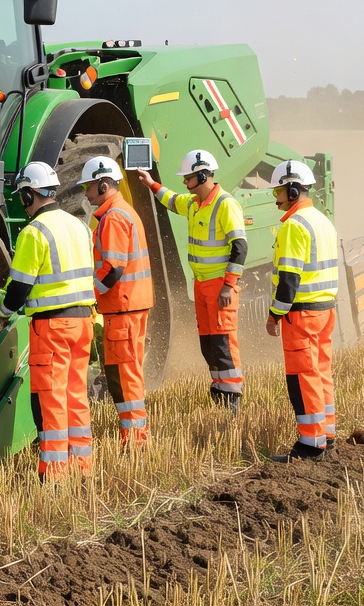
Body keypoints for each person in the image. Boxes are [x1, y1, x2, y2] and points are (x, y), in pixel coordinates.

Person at [0, 161, 97, 478]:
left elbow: (19, 288)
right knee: (76, 396)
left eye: (22, 197)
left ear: (29, 195)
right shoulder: (79, 226)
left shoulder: (34, 232)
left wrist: (1, 315)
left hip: (53, 328)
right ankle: (82, 468)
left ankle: (54, 474)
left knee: (50, 399)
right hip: (83, 323)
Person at [135, 149, 247, 411]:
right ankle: (219, 390)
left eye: (188, 178)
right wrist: (151, 184)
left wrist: (229, 285)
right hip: (201, 285)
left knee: (223, 343)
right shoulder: (195, 203)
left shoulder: (225, 204)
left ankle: (232, 398)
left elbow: (240, 247)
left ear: (203, 175)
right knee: (209, 345)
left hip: (219, 286)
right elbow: (173, 201)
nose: (185, 182)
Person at [264, 160, 339, 463]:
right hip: (325, 310)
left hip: (303, 316)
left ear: (293, 190)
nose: (276, 197)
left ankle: (310, 445)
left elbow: (289, 280)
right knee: (320, 372)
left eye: (278, 191)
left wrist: (274, 315)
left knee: (302, 377)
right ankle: (327, 435)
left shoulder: (294, 226)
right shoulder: (322, 220)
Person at [81, 156, 154, 445]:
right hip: (128, 306)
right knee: (124, 373)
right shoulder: (123, 211)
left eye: (88, 187)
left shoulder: (113, 217)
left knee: (125, 375)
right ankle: (133, 434)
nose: (86, 194)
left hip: (123, 308)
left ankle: (135, 438)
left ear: (103, 184)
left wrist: (90, 295)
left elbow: (113, 269)